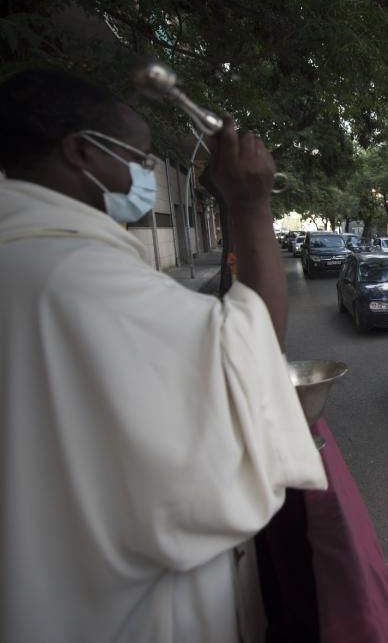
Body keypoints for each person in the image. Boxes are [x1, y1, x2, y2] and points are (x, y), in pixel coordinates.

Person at [0, 70, 327, 641]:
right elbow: (247, 352)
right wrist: (250, 205)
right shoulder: (77, 277)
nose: (144, 177)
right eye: (137, 159)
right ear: (79, 151)